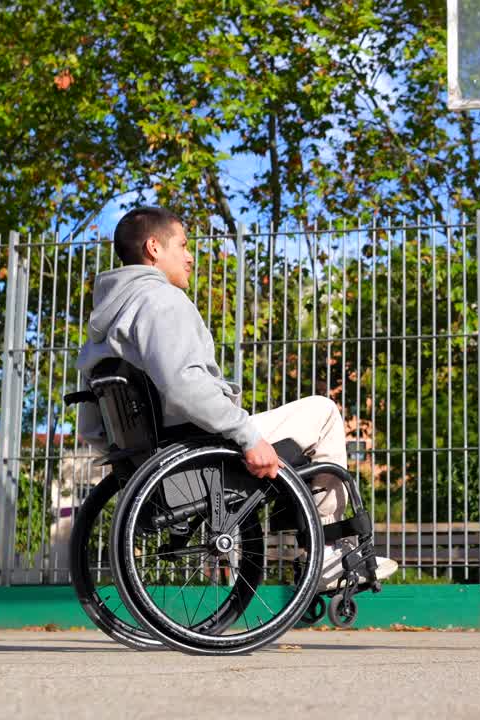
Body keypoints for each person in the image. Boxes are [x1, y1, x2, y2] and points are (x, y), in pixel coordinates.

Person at [75, 206, 398, 589]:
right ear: (153, 248)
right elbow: (184, 387)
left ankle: (307, 539)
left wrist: (133, 468)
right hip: (197, 458)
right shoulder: (161, 302)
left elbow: (92, 426)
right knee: (324, 412)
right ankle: (327, 553)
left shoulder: (105, 322)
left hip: (159, 466)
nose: (190, 256)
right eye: (183, 245)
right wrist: (248, 437)